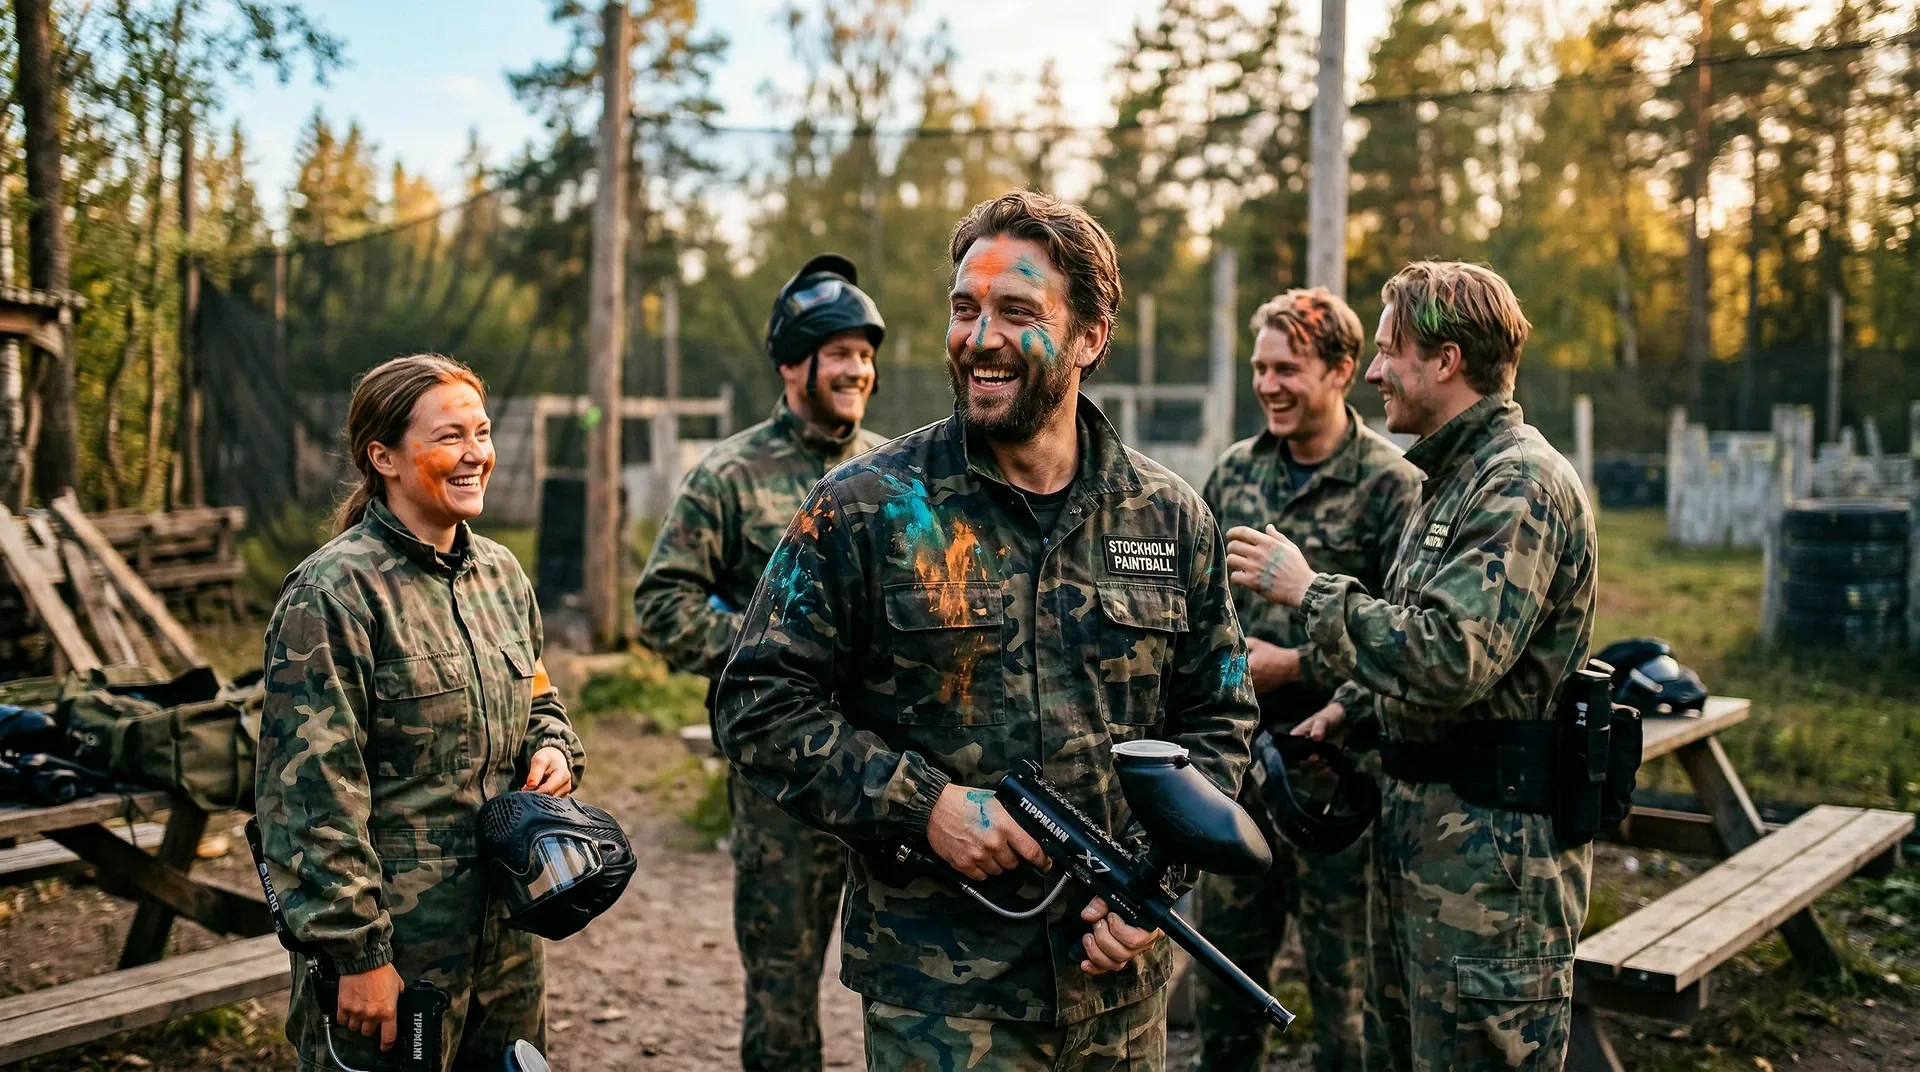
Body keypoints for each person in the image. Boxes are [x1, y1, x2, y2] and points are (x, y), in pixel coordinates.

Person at [713, 190, 1258, 1071]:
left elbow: (1219, 720)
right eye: (965, 309)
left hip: (1115, 1000)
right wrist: (921, 805)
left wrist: (1153, 883)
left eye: (1016, 311)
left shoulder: (1169, 518)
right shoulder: (868, 507)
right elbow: (757, 705)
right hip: (942, 1006)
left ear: (1089, 336)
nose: (979, 337)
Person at [1225, 262, 1597, 1071]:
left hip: (1492, 871)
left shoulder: (1519, 483)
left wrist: (1307, 590)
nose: (1379, 371)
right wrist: (1350, 711)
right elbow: (1421, 636)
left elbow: (1453, 655)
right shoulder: (1452, 478)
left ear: (1447, 360)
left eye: (1391, 350)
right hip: (1424, 847)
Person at [256, 354, 585, 1072]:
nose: (477, 455)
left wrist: (554, 749)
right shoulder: (333, 595)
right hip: (400, 955)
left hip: (509, 942)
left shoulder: (501, 576)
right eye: (449, 438)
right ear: (385, 458)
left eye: (483, 432)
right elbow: (308, 798)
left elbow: (540, 700)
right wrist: (357, 955)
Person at [632, 252, 888, 1072]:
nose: (858, 369)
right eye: (840, 352)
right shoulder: (730, 477)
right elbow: (662, 602)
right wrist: (773, 658)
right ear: (792, 364)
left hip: (897, 771)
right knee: (782, 988)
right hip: (784, 782)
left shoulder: (899, 472)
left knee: (915, 983)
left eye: (865, 353)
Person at [1192, 288, 1419, 1072]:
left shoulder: (1394, 487)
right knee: (1223, 983)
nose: (1268, 385)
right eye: (1260, 368)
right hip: (1238, 771)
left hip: (1338, 778)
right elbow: (1201, 610)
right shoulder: (1235, 475)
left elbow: (1408, 639)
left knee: (1344, 1001)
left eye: (1287, 368)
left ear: (1342, 370)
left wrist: (1303, 669)